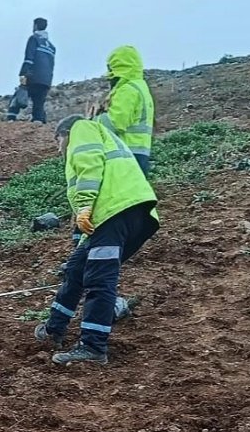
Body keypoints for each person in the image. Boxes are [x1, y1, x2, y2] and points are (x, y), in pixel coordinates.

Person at [33, 115, 158, 365]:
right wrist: (81, 241)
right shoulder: (99, 134)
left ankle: (93, 347)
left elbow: (90, 165)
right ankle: (53, 329)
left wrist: (84, 206)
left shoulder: (82, 128)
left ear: (65, 133)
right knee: (77, 269)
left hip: (115, 212)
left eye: (57, 141)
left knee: (99, 279)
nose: (59, 149)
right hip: (120, 215)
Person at [96, 46, 155, 175]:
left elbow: (114, 123)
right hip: (139, 154)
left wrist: (95, 120)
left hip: (126, 153)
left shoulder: (127, 90)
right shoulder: (140, 86)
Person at [12, 17, 56, 123]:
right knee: (39, 102)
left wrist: (23, 73)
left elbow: (29, 58)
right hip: (46, 79)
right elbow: (51, 64)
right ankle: (39, 121)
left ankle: (11, 119)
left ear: (35, 26)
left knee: (19, 95)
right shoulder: (52, 47)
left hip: (33, 76)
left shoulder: (34, 39)